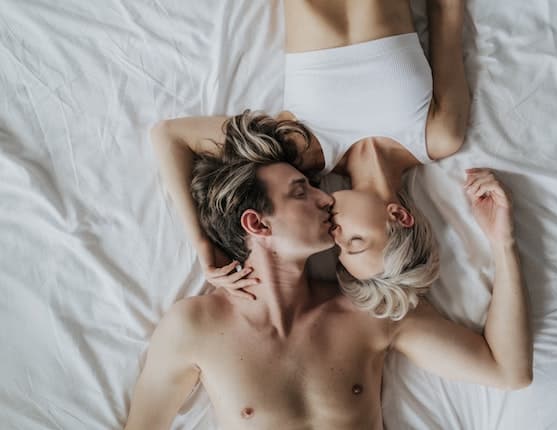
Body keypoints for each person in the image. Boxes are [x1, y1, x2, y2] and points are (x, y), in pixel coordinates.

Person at [125, 118, 532, 428]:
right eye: (301, 192)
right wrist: (201, 242)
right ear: (258, 225)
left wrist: (503, 243)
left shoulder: (367, 312)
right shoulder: (193, 326)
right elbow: (169, 135)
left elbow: (507, 371)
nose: (326, 197)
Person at [151, 0, 470, 320]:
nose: (336, 236)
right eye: (355, 241)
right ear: (399, 216)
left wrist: (202, 243)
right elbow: (446, 10)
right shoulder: (438, 135)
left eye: (340, 250)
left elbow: (171, 136)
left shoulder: (302, 149)